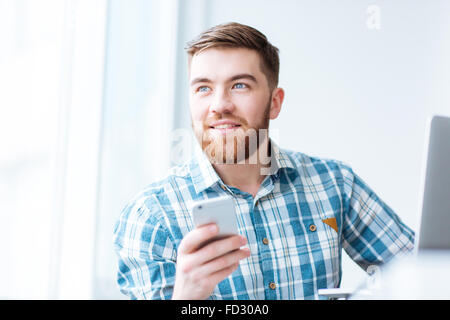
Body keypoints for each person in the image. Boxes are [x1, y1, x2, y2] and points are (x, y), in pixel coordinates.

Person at [113, 22, 415, 300]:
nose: (219, 105)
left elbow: (421, 273)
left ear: (275, 102)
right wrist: (187, 299)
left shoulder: (335, 184)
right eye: (203, 88)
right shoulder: (151, 217)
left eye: (239, 85)